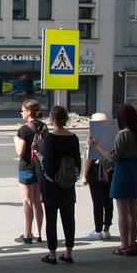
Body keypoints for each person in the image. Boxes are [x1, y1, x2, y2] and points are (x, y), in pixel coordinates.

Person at [88, 104, 137, 256]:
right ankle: (132, 243)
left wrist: (97, 146)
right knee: (134, 210)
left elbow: (113, 157)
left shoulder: (123, 134)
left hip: (123, 170)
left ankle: (124, 245)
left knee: (123, 211)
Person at [36, 106, 81, 264]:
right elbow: (78, 163)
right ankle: (68, 253)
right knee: (69, 219)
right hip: (68, 185)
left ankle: (52, 254)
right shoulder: (73, 137)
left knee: (51, 219)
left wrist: (37, 154)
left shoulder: (50, 138)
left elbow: (47, 164)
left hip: (52, 186)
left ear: (52, 119)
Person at [14, 99, 46, 244]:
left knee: (27, 201)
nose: (21, 112)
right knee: (37, 202)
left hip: (26, 167)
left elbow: (20, 151)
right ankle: (38, 233)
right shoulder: (44, 127)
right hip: (39, 166)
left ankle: (27, 235)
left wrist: (15, 140)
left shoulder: (24, 129)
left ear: (28, 112)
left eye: (22, 110)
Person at [83, 113, 113, 240]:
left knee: (97, 202)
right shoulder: (112, 135)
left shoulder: (93, 138)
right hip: (110, 170)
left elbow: (90, 157)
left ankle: (98, 230)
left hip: (96, 171)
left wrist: (84, 175)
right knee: (108, 201)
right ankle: (106, 229)